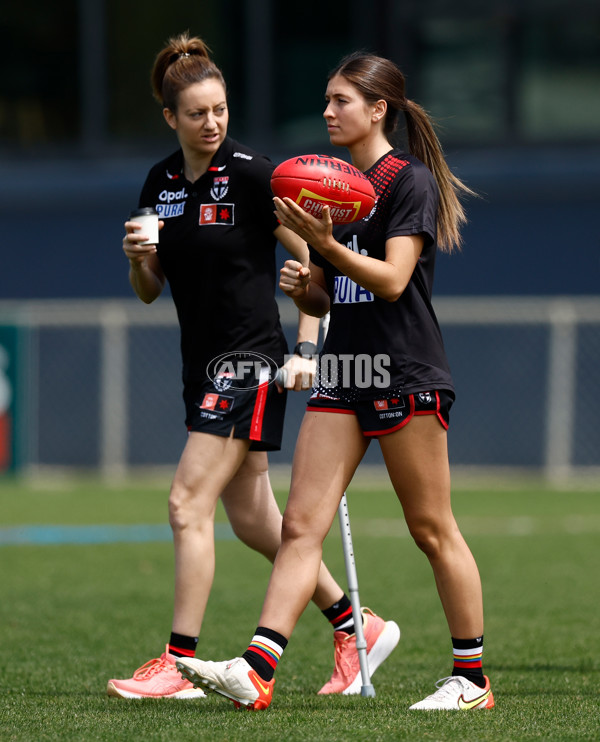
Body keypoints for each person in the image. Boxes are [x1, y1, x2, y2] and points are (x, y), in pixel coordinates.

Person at [175, 51, 495, 712]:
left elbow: (393, 279)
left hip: (403, 368)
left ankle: (471, 680)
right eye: (326, 99)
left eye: (340, 100)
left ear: (379, 109)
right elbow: (335, 296)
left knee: (431, 528)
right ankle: (258, 669)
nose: (327, 111)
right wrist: (310, 286)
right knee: (299, 526)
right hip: (346, 370)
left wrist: (327, 247)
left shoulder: (407, 182)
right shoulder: (335, 188)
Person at [107, 35, 399, 701]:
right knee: (253, 521)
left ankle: (176, 663)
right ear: (170, 119)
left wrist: (304, 348)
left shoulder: (254, 173)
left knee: (187, 504)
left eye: (221, 109)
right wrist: (135, 259)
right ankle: (360, 628)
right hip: (199, 364)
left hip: (250, 362)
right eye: (197, 114)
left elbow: (313, 264)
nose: (212, 123)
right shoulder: (159, 183)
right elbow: (150, 288)